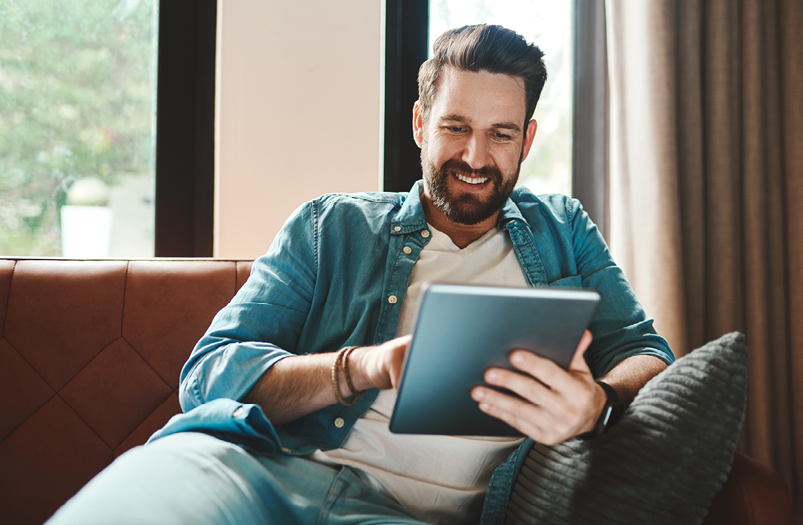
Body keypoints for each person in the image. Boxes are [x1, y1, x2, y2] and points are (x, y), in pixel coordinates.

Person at [48, 24, 674, 525]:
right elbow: (209, 374)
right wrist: (363, 367)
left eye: (500, 134)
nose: (476, 158)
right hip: (255, 474)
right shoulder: (331, 226)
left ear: (527, 140)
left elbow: (647, 353)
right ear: (420, 124)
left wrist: (600, 403)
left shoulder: (562, 230)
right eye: (455, 127)